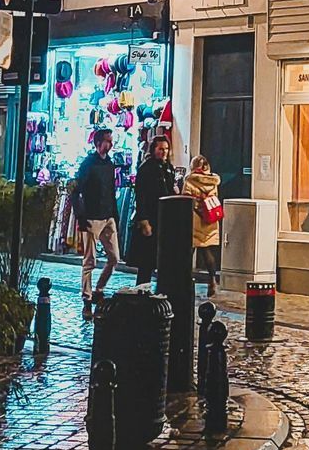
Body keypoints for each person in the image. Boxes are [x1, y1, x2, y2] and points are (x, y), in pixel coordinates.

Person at [67, 130, 126, 318]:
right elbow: (75, 191)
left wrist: (114, 215)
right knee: (89, 261)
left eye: (111, 141)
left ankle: (99, 289)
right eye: (107, 141)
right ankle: (87, 299)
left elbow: (110, 189)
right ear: (98, 143)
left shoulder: (109, 163)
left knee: (114, 258)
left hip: (107, 216)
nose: (110, 144)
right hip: (92, 216)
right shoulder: (88, 164)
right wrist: (80, 216)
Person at [131, 132, 179, 286]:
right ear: (153, 150)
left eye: (166, 148)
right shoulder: (146, 169)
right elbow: (141, 195)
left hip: (165, 220)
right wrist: (144, 220)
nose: (163, 151)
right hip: (151, 216)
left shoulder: (168, 168)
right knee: (146, 259)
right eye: (160, 148)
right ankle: (142, 289)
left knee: (163, 259)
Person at [183, 152, 224, 287]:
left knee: (189, 251)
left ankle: (186, 280)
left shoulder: (189, 180)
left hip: (194, 218)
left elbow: (185, 199)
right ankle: (212, 279)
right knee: (207, 251)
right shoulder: (213, 181)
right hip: (210, 219)